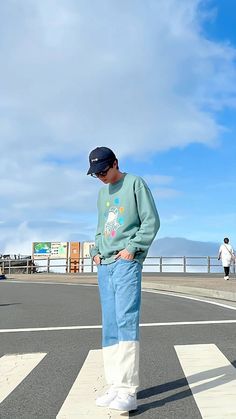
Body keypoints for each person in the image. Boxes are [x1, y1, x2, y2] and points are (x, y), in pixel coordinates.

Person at [87, 146, 160, 412]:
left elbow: (151, 221)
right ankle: (115, 385)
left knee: (126, 320)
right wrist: (95, 250)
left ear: (116, 163)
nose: (101, 177)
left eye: (104, 171)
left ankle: (128, 391)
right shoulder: (101, 192)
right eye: (96, 174)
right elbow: (99, 228)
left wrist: (133, 249)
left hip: (125, 261)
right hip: (104, 264)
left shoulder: (135, 184)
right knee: (110, 325)